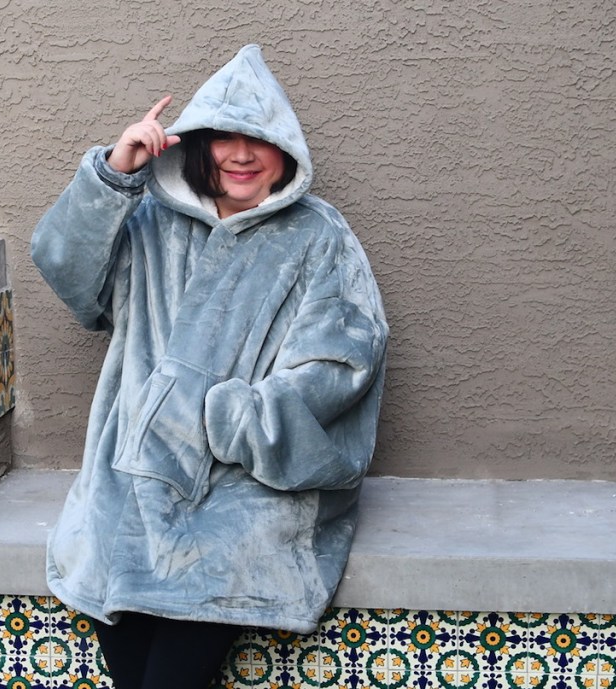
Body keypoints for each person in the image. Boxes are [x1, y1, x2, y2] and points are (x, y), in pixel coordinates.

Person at [30, 44, 388, 689]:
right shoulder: (150, 220)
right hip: (130, 479)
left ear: (286, 151)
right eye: (224, 136)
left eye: (259, 139)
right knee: (131, 669)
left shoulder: (318, 235)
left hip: (240, 489)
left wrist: (236, 419)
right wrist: (115, 174)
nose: (242, 154)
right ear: (198, 144)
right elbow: (68, 272)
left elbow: (342, 359)